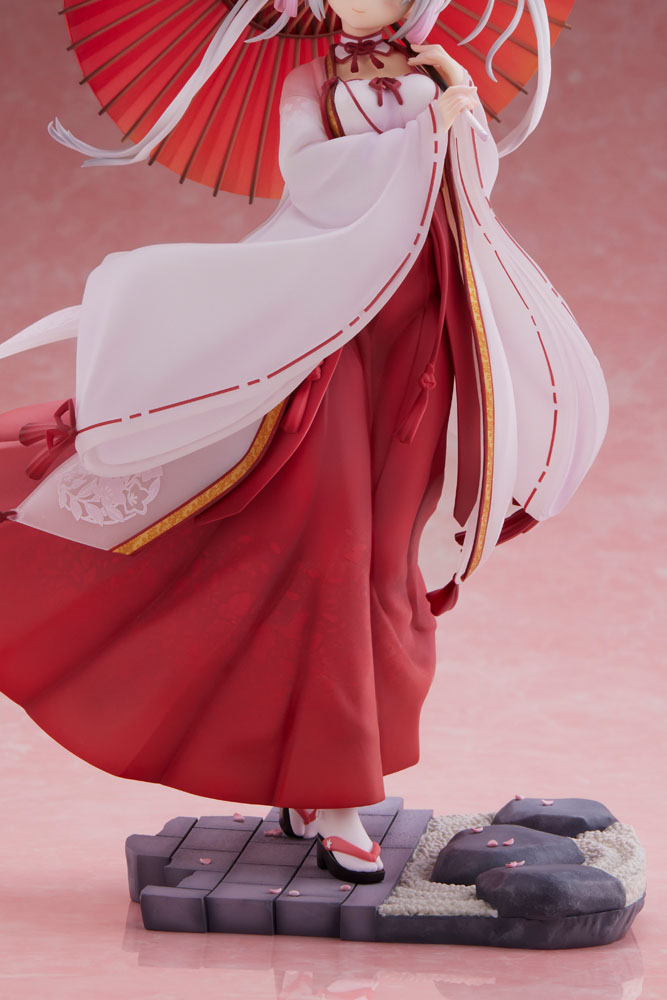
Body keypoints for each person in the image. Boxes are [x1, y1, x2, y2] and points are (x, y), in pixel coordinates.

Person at [0, 0, 608, 884]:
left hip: (425, 324)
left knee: (388, 554)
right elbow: (320, 189)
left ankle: (310, 777)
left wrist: (457, 113)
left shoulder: (435, 68)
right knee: (328, 544)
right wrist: (417, 139)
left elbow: (474, 181)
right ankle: (331, 790)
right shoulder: (308, 83)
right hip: (330, 330)